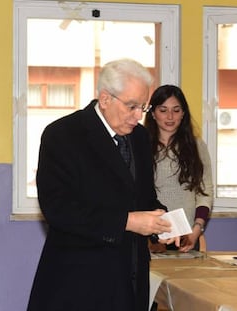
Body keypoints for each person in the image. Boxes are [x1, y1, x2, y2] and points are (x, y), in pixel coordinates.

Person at [27, 58, 179, 311]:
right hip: (80, 281)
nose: (138, 116)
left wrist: (162, 222)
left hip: (130, 277)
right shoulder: (63, 134)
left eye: (143, 106)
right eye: (131, 106)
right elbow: (58, 209)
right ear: (106, 99)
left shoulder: (140, 137)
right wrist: (128, 221)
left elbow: (143, 197)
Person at [144, 84, 214, 252]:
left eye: (176, 110)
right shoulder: (140, 146)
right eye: (163, 110)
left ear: (183, 113)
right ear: (153, 113)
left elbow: (205, 192)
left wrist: (197, 229)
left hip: (187, 237)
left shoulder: (197, 146)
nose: (170, 116)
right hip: (149, 237)